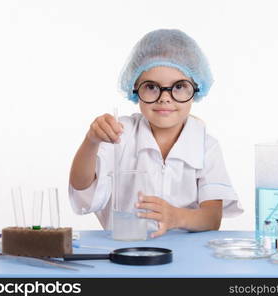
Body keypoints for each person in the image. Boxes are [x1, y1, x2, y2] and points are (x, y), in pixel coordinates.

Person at [69, 29, 243, 238]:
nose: (165, 98)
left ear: (196, 90)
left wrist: (177, 217)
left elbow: (212, 218)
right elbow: (82, 186)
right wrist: (91, 141)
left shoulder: (205, 145)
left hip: (187, 258)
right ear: (135, 89)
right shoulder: (119, 134)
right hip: (125, 249)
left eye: (179, 86)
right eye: (151, 86)